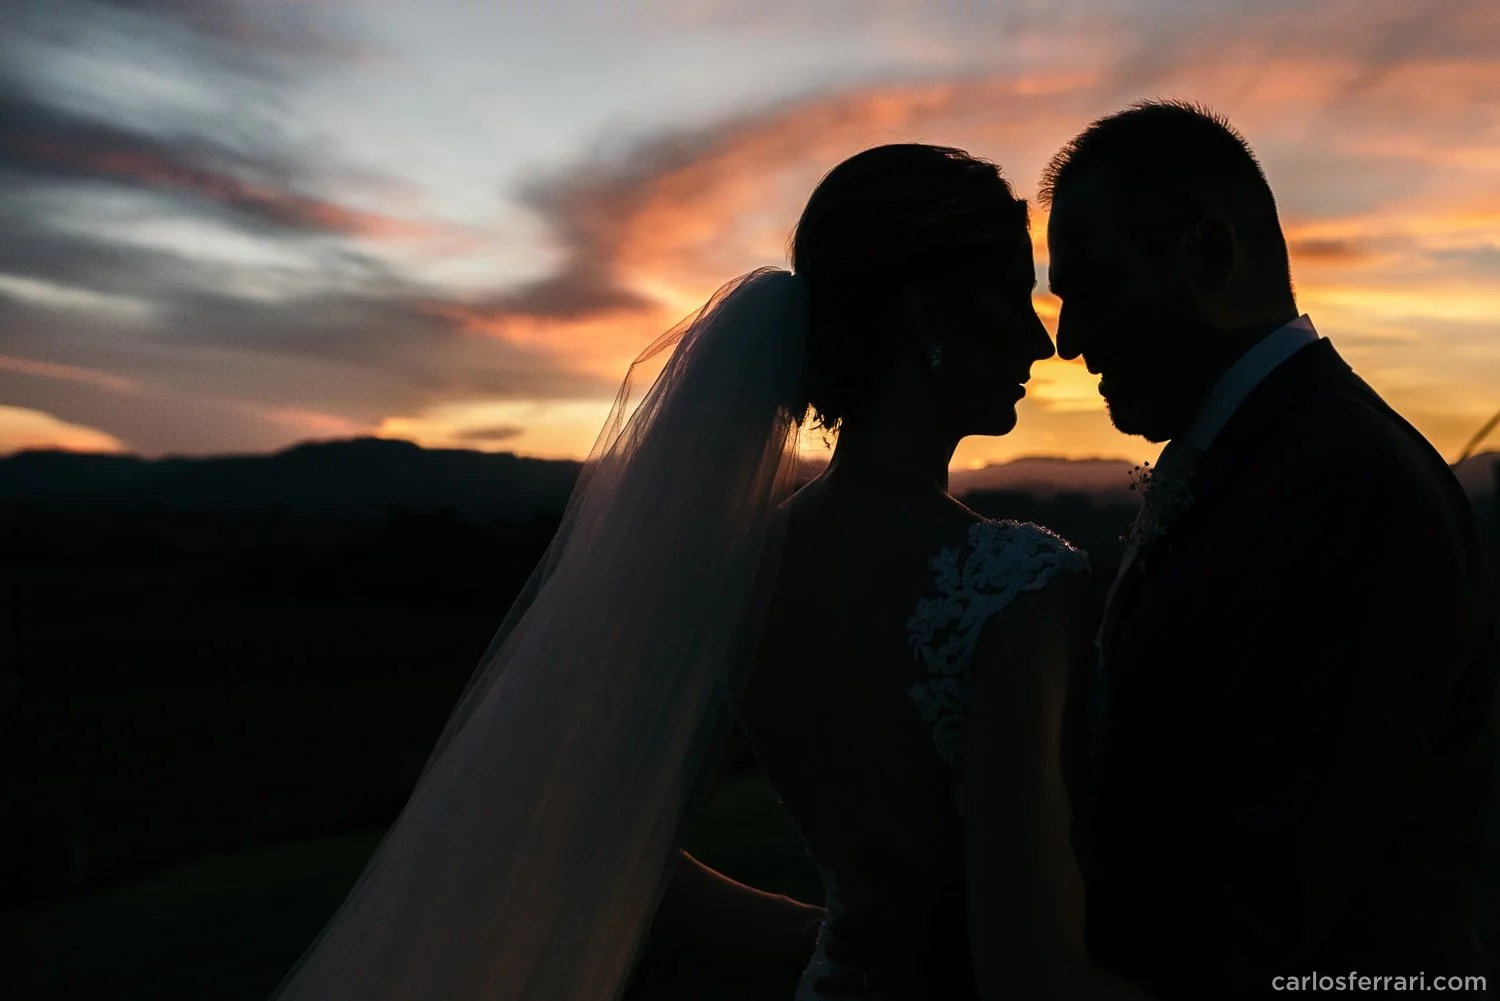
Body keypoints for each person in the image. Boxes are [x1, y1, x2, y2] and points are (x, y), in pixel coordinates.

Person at [267, 143, 1157, 1001]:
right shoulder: (1019, 586)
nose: (1044, 345)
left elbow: (592, 838)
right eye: (1012, 300)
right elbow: (1033, 975)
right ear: (927, 318)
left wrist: (839, 933)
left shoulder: (740, 570)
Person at [1042, 100, 1500, 999]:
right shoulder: (1265, 458)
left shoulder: (1350, 486)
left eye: (1093, 288)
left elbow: (1276, 888)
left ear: (1210, 256)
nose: (1068, 338)